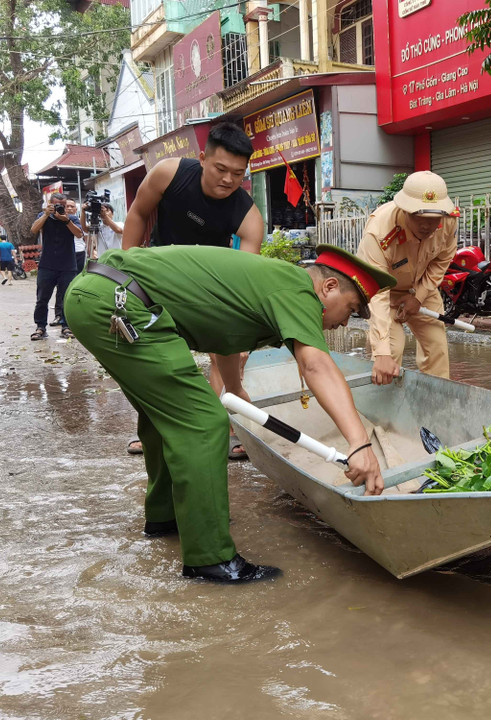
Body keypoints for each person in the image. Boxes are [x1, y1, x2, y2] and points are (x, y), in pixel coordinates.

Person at [64, 243, 396, 582]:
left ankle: (168, 517)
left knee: (164, 415)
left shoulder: (271, 284)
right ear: (328, 288)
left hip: (100, 294)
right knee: (203, 423)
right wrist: (359, 444)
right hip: (119, 302)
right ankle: (209, 559)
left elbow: (225, 336)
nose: (344, 324)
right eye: (350, 309)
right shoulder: (297, 290)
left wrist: (235, 388)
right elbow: (316, 366)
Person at [121, 120, 265, 458]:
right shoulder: (168, 173)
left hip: (207, 283)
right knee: (155, 359)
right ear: (202, 158)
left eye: (238, 173)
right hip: (156, 276)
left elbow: (244, 274)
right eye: (220, 169)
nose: (229, 180)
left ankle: (232, 422)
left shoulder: (247, 214)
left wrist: (238, 325)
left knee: (228, 350)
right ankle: (153, 427)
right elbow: (139, 212)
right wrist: (125, 263)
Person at [356, 171, 459, 385]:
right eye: (418, 217)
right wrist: (381, 351)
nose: (427, 226)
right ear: (404, 209)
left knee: (437, 345)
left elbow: (441, 261)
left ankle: (435, 402)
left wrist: (418, 297)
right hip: (383, 290)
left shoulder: (448, 222)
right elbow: (377, 293)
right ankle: (383, 410)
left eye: (433, 219)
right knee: (389, 351)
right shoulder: (379, 232)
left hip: (421, 287)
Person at [29, 193, 83, 340]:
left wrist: (66, 221)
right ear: (50, 204)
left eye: (63, 205)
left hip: (68, 265)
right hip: (47, 265)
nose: (61, 207)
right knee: (42, 298)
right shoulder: (44, 216)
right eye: (57, 204)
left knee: (67, 298)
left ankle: (66, 326)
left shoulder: (71, 218)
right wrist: (46, 214)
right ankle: (40, 327)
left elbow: (79, 234)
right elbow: (34, 230)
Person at [51, 198, 85, 327]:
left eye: (72, 207)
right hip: (65, 256)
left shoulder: (77, 221)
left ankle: (75, 315)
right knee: (61, 287)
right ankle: (59, 315)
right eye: (67, 206)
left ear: (75, 209)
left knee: (78, 285)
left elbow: (83, 236)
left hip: (79, 254)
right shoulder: (58, 221)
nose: (70, 208)